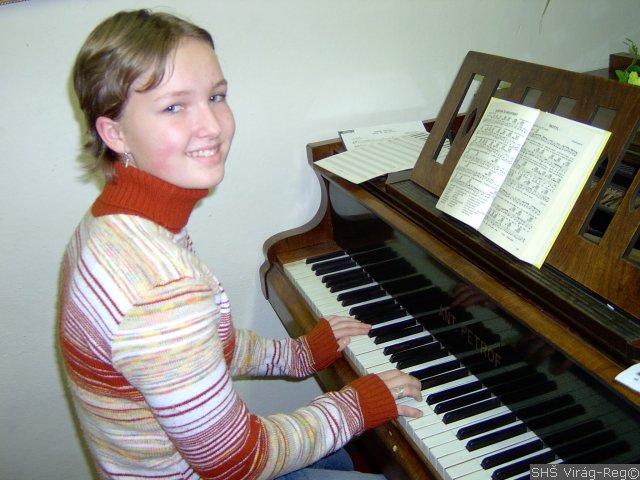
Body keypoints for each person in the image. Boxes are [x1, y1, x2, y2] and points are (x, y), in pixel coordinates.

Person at [58, 9, 423, 480]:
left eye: (216, 96)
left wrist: (298, 356)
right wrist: (356, 405)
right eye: (174, 106)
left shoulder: (112, 226)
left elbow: (206, 344)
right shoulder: (160, 288)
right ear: (115, 132)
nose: (211, 125)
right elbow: (237, 462)